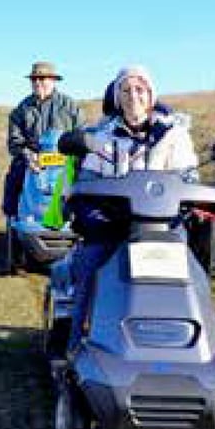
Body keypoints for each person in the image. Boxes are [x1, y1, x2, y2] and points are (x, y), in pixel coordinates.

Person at [64, 65, 198, 349]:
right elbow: (86, 187)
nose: (133, 96)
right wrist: (97, 220)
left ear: (150, 95)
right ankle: (76, 347)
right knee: (89, 269)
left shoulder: (174, 134)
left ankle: (192, 342)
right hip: (110, 228)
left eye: (140, 89)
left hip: (163, 227)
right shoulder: (101, 138)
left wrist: (184, 210)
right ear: (117, 97)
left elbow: (189, 181)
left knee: (192, 277)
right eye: (125, 90)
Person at [2, 61, 84, 217]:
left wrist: (74, 154)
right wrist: (28, 155)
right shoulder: (21, 109)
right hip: (32, 160)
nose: (38, 82)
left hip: (64, 159)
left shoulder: (71, 107)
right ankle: (12, 222)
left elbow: (81, 135)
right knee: (14, 177)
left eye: (43, 78)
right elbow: (14, 141)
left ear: (53, 80)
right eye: (34, 79)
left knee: (87, 179)